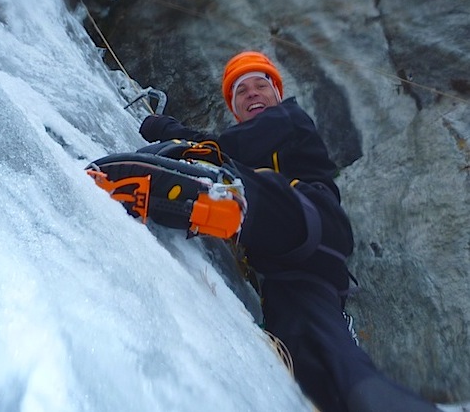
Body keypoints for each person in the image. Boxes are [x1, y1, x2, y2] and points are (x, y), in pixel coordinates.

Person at [138, 51, 438, 411]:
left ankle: (215, 191)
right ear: (235, 108)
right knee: (314, 356)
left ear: (277, 95)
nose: (251, 94)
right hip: (295, 272)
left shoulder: (289, 118)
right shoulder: (247, 140)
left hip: (310, 217)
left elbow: (226, 148)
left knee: (249, 185)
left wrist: (167, 132)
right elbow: (222, 146)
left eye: (260, 85)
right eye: (241, 92)